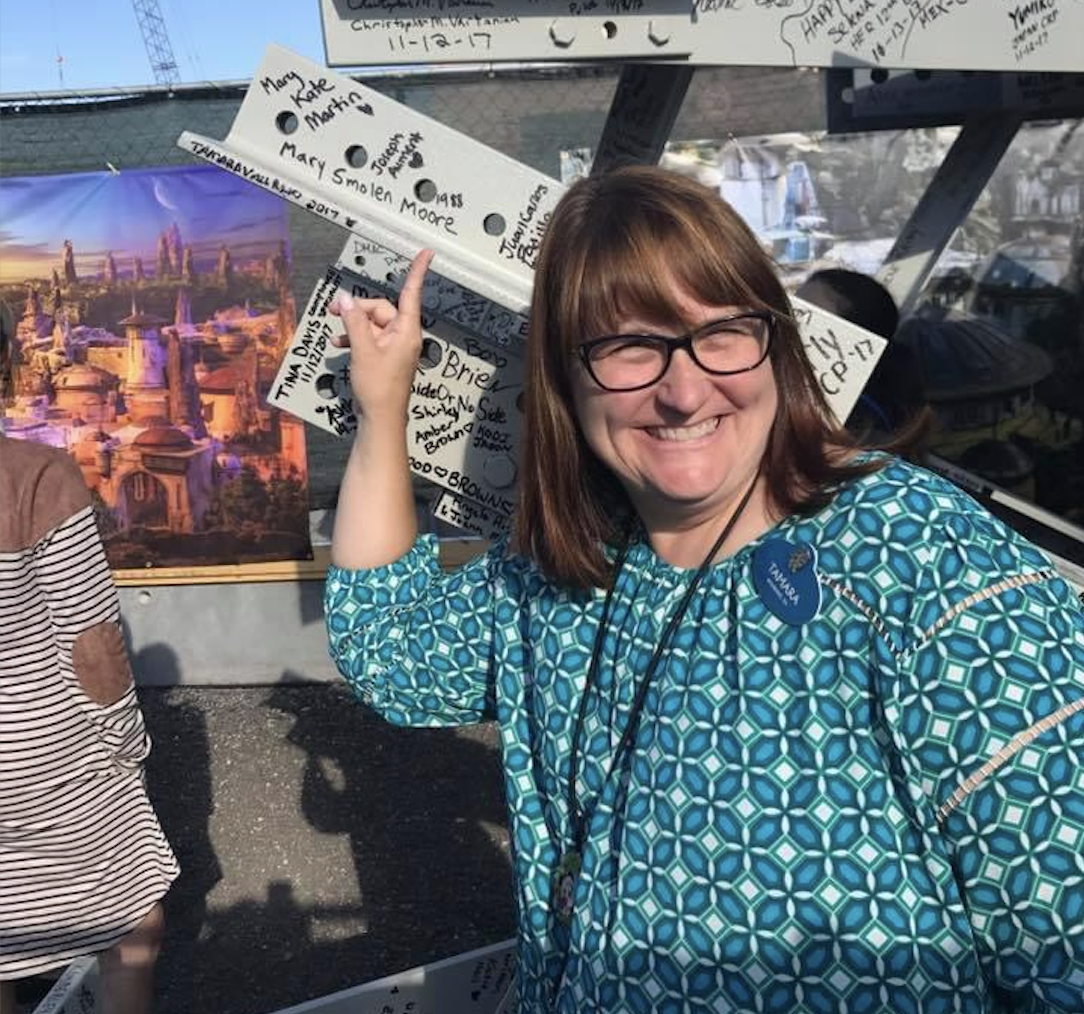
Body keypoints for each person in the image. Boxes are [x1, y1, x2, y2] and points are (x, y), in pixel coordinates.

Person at [323, 166, 1084, 1013]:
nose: (684, 391)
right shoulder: (561, 570)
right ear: (565, 382)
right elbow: (389, 649)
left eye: (721, 332)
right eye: (628, 346)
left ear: (776, 340)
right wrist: (382, 404)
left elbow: (1062, 932)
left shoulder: (913, 552)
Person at [0, 312, 178, 1014]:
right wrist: (125, 743)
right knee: (132, 929)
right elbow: (91, 642)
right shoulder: (34, 477)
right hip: (45, 752)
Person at [795, 267, 931, 455]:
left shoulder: (862, 432)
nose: (787, 322)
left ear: (851, 341)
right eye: (789, 308)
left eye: (807, 315)